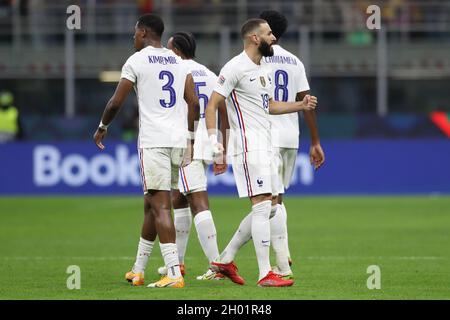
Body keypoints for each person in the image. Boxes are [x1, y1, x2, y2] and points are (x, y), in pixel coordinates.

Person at [205, 18, 318, 287]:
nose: (274, 38)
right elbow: (212, 105)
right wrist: (213, 140)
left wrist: (300, 105)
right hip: (249, 145)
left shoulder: (264, 67)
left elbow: (270, 106)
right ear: (255, 38)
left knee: (270, 207)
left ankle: (225, 258)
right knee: (263, 204)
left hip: (268, 143)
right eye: (269, 34)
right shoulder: (234, 67)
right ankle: (265, 273)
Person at [93, 13, 200, 288]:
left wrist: (103, 125)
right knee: (152, 204)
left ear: (142, 33)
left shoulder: (136, 61)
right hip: (178, 141)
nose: (133, 38)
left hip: (154, 141)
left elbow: (116, 102)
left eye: (134, 33)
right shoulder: (178, 61)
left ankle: (174, 273)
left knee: (161, 205)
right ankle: (138, 269)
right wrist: (190, 138)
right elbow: (194, 102)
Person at [157, 31, 229, 281]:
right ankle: (178, 262)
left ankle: (218, 265)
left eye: (168, 49)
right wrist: (223, 148)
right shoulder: (210, 75)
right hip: (207, 140)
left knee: (198, 199)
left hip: (187, 142)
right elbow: (224, 112)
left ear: (176, 50)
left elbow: (182, 108)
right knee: (179, 198)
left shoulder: (176, 73)